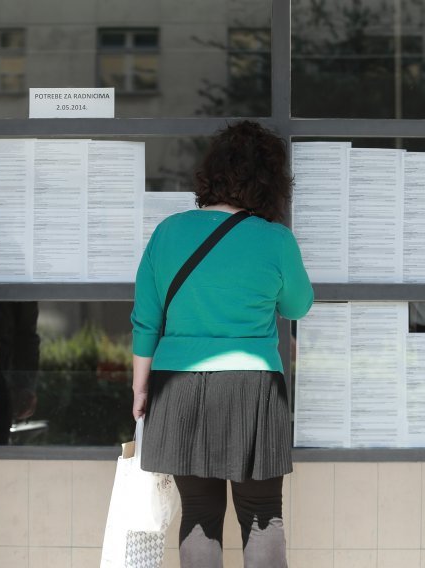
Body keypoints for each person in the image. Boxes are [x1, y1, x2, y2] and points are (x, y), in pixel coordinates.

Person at [131, 120, 313, 568]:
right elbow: (297, 306)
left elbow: (145, 320)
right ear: (271, 182)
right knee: (262, 515)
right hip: (252, 388)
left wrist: (140, 390)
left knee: (198, 514)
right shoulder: (274, 239)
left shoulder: (169, 232)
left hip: (176, 386)